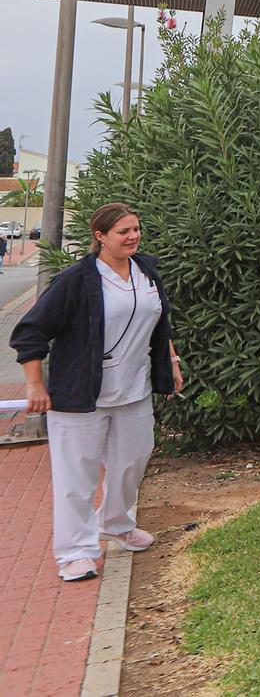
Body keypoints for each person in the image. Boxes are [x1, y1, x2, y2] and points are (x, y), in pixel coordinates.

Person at [12, 204, 182, 581]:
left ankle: (117, 524)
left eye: (136, 229)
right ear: (100, 236)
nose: (133, 236)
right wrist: (35, 384)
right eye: (123, 231)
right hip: (80, 397)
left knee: (132, 462)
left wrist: (171, 361)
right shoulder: (76, 280)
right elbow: (30, 332)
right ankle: (76, 553)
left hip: (133, 390)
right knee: (78, 476)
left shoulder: (147, 270)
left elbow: (159, 322)